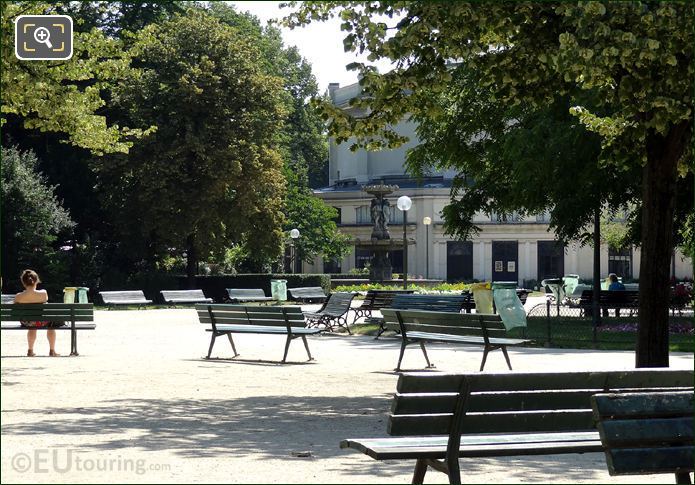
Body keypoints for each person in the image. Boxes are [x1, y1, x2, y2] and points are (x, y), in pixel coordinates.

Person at [14, 269, 59, 357]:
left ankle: (30, 350)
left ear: (24, 282)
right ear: (36, 281)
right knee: (51, 324)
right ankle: (52, 350)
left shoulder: (18, 296)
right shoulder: (43, 293)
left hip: (26, 322)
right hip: (41, 321)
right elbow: (45, 300)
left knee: (32, 324)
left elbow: (14, 307)